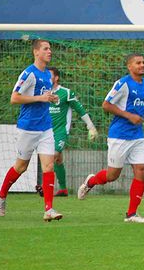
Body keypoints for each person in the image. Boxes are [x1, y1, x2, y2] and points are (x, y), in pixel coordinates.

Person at [78, 53, 144, 223]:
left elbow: (142, 102)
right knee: (112, 175)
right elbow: (106, 105)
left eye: (143, 62)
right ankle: (91, 182)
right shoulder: (122, 84)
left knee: (142, 169)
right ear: (129, 66)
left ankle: (131, 214)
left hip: (137, 135)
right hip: (119, 136)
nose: (142, 65)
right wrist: (129, 116)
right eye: (138, 63)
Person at [0, 39, 62, 222]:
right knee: (21, 167)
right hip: (27, 128)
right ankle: (1, 194)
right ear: (36, 52)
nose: (49, 51)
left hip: (45, 127)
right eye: (45, 49)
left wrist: (51, 98)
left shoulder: (47, 75)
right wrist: (40, 98)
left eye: (50, 48)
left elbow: (43, 97)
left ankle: (49, 209)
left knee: (49, 166)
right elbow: (14, 98)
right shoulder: (29, 73)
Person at [35, 67, 98, 197]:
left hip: (61, 132)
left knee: (52, 156)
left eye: (49, 75)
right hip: (46, 131)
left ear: (56, 78)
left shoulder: (66, 93)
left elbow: (80, 109)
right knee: (58, 160)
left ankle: (44, 187)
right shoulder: (43, 94)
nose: (46, 77)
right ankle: (63, 189)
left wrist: (90, 126)